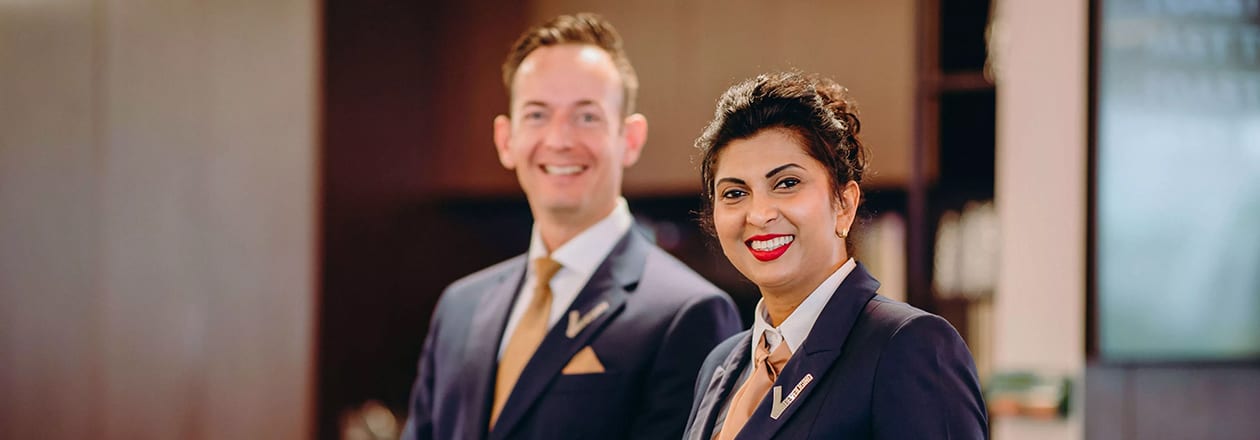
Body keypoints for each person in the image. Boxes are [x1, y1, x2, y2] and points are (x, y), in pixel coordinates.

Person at [401, 13, 742, 440]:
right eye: (537, 115)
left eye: (587, 117)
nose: (560, 140)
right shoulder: (459, 307)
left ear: (630, 139)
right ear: (506, 140)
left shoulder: (690, 313)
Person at [682, 72, 988, 439]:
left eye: (787, 183)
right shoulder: (720, 366)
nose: (759, 214)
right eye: (735, 193)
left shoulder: (907, 346)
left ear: (844, 204)